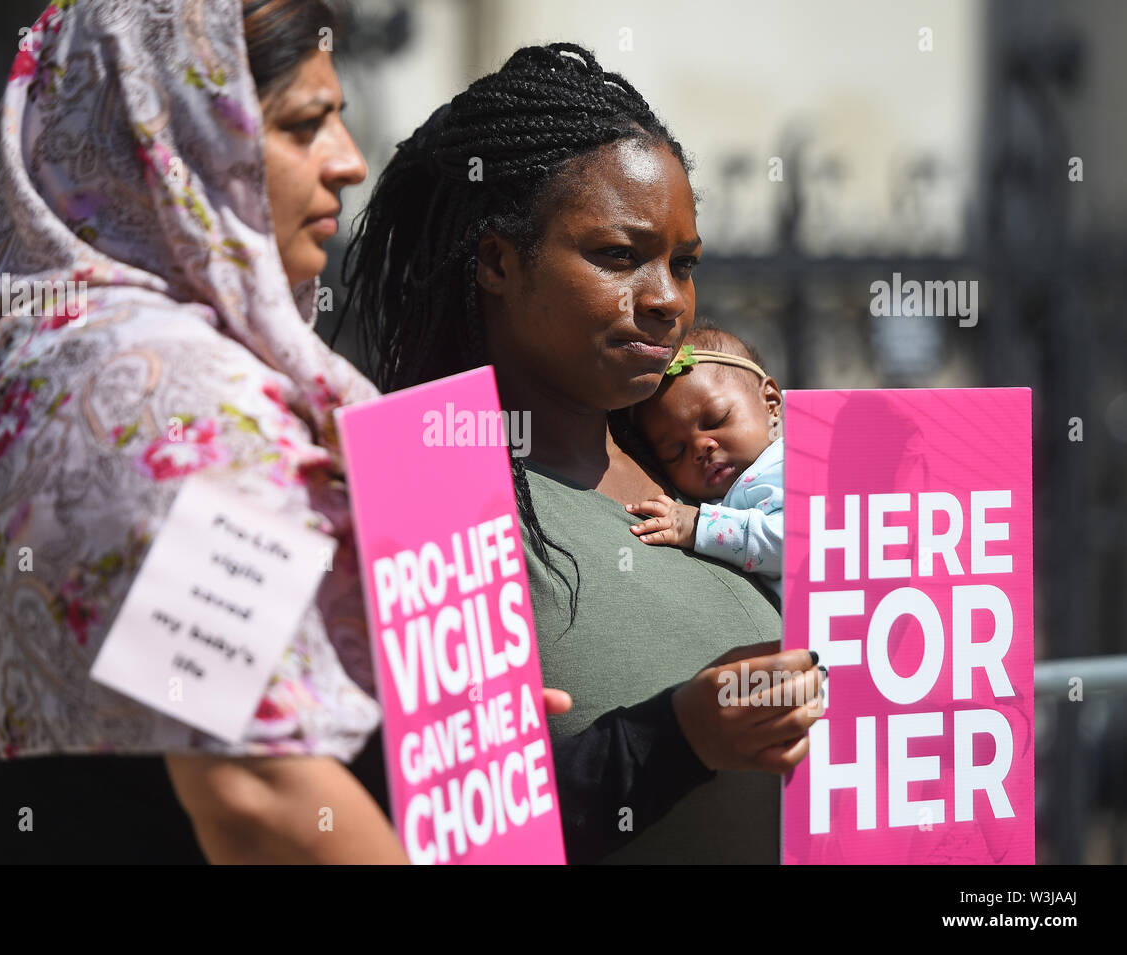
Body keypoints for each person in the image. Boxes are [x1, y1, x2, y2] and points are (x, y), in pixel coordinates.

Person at [0, 0, 417, 864]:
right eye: (305, 125)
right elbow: (254, 791)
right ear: (177, 142)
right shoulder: (188, 410)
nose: (348, 161)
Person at [345, 43, 825, 862]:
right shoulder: (428, 492)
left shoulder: (705, 472)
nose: (668, 300)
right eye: (618, 256)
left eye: (683, 263)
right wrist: (678, 735)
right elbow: (448, 832)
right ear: (498, 261)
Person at [626, 325, 785, 601]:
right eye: (675, 452)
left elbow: (798, 544)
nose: (701, 447)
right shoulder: (714, 498)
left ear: (770, 403)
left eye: (717, 420)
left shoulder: (789, 464)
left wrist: (700, 525)